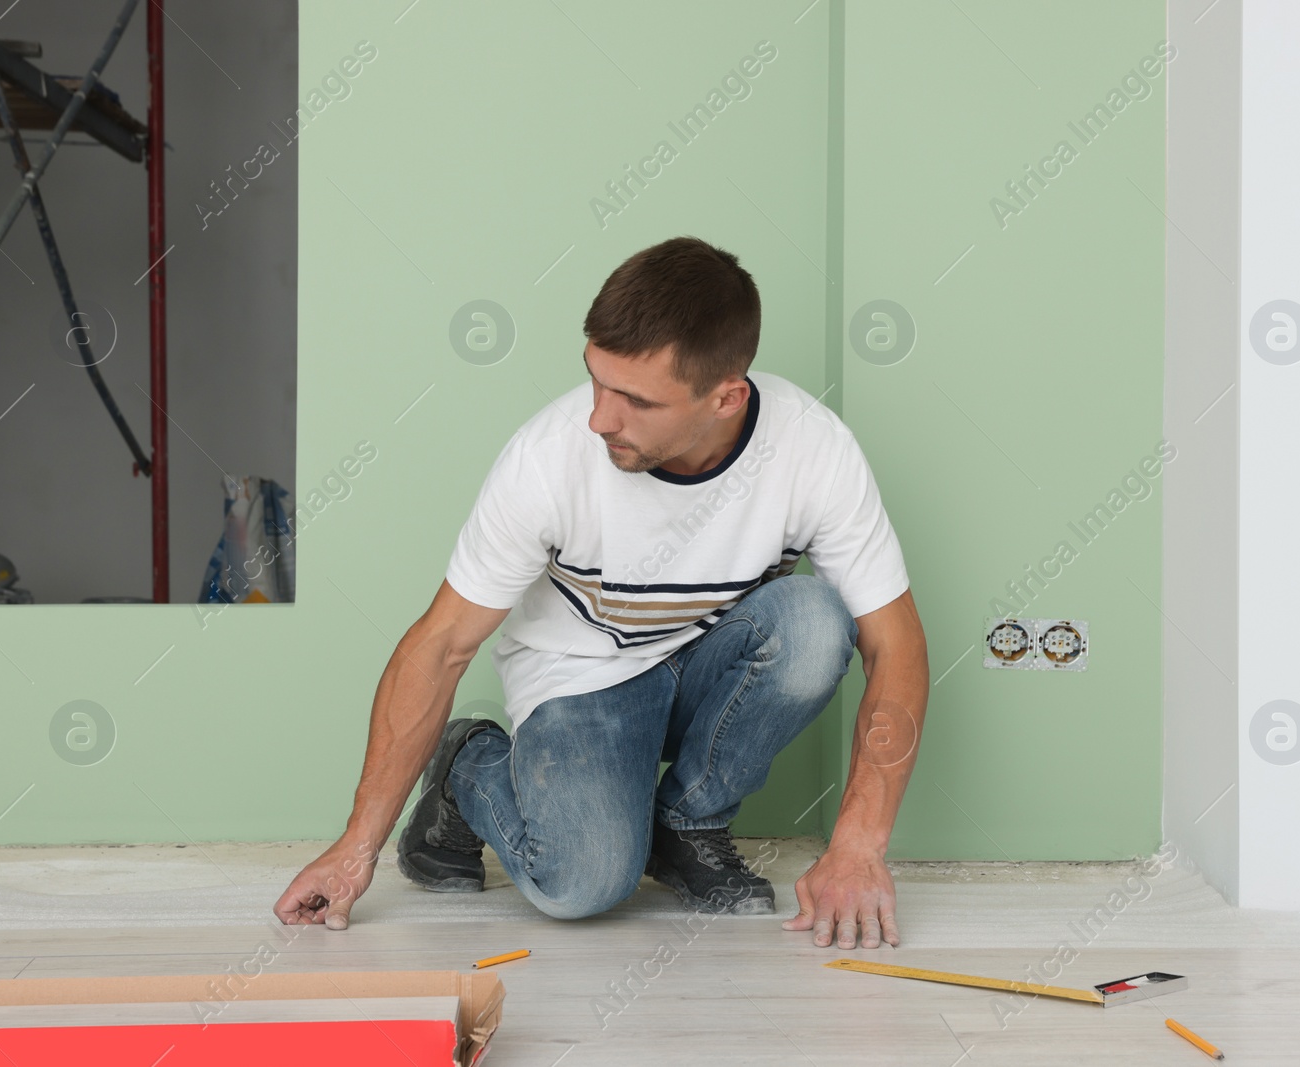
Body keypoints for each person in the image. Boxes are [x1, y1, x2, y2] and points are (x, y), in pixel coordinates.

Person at [274, 235, 929, 950]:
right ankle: (469, 767)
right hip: (581, 680)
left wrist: (860, 845)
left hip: (706, 667)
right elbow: (441, 644)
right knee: (581, 885)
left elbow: (896, 645)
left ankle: (688, 824)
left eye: (637, 400)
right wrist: (354, 848)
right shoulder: (548, 459)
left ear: (726, 397)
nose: (599, 419)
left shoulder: (812, 449)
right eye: (597, 380)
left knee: (816, 622)